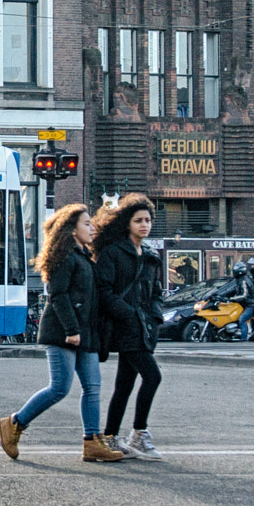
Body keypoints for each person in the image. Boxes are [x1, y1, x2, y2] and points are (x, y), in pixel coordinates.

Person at [0, 205, 124, 463]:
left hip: (85, 335)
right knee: (59, 388)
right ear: (72, 229)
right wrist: (72, 330)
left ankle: (92, 442)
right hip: (63, 333)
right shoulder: (65, 256)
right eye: (87, 223)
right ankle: (14, 423)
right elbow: (58, 295)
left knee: (93, 388)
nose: (92, 228)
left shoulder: (85, 256)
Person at [93, 193, 164, 461]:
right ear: (127, 223)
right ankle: (139, 434)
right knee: (153, 376)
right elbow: (104, 290)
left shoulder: (150, 256)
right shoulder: (113, 252)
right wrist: (129, 314)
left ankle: (111, 436)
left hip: (145, 327)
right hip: (124, 327)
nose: (144, 225)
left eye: (147, 220)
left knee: (124, 383)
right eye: (138, 221)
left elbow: (156, 291)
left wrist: (155, 316)